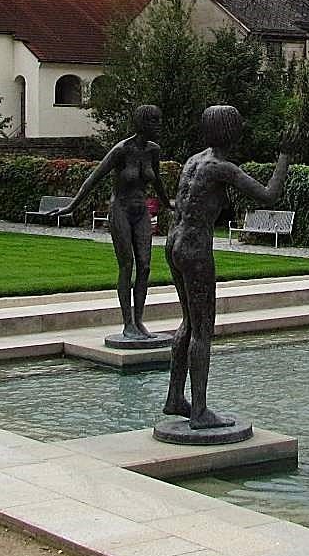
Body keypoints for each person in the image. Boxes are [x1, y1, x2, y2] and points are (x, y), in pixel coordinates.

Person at [162, 105, 289, 433]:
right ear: (230, 132)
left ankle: (176, 397)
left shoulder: (194, 160)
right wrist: (285, 156)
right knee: (203, 329)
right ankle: (199, 410)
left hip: (174, 241)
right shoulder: (222, 168)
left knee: (188, 322)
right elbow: (269, 195)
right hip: (194, 247)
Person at [66, 104, 169, 346]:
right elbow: (94, 178)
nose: (159, 125)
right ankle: (128, 323)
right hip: (120, 209)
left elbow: (158, 181)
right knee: (127, 264)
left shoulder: (154, 150)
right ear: (142, 123)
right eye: (154, 120)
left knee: (144, 266)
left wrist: (168, 203)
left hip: (141, 210)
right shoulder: (122, 150)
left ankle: (140, 321)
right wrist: (72, 206)